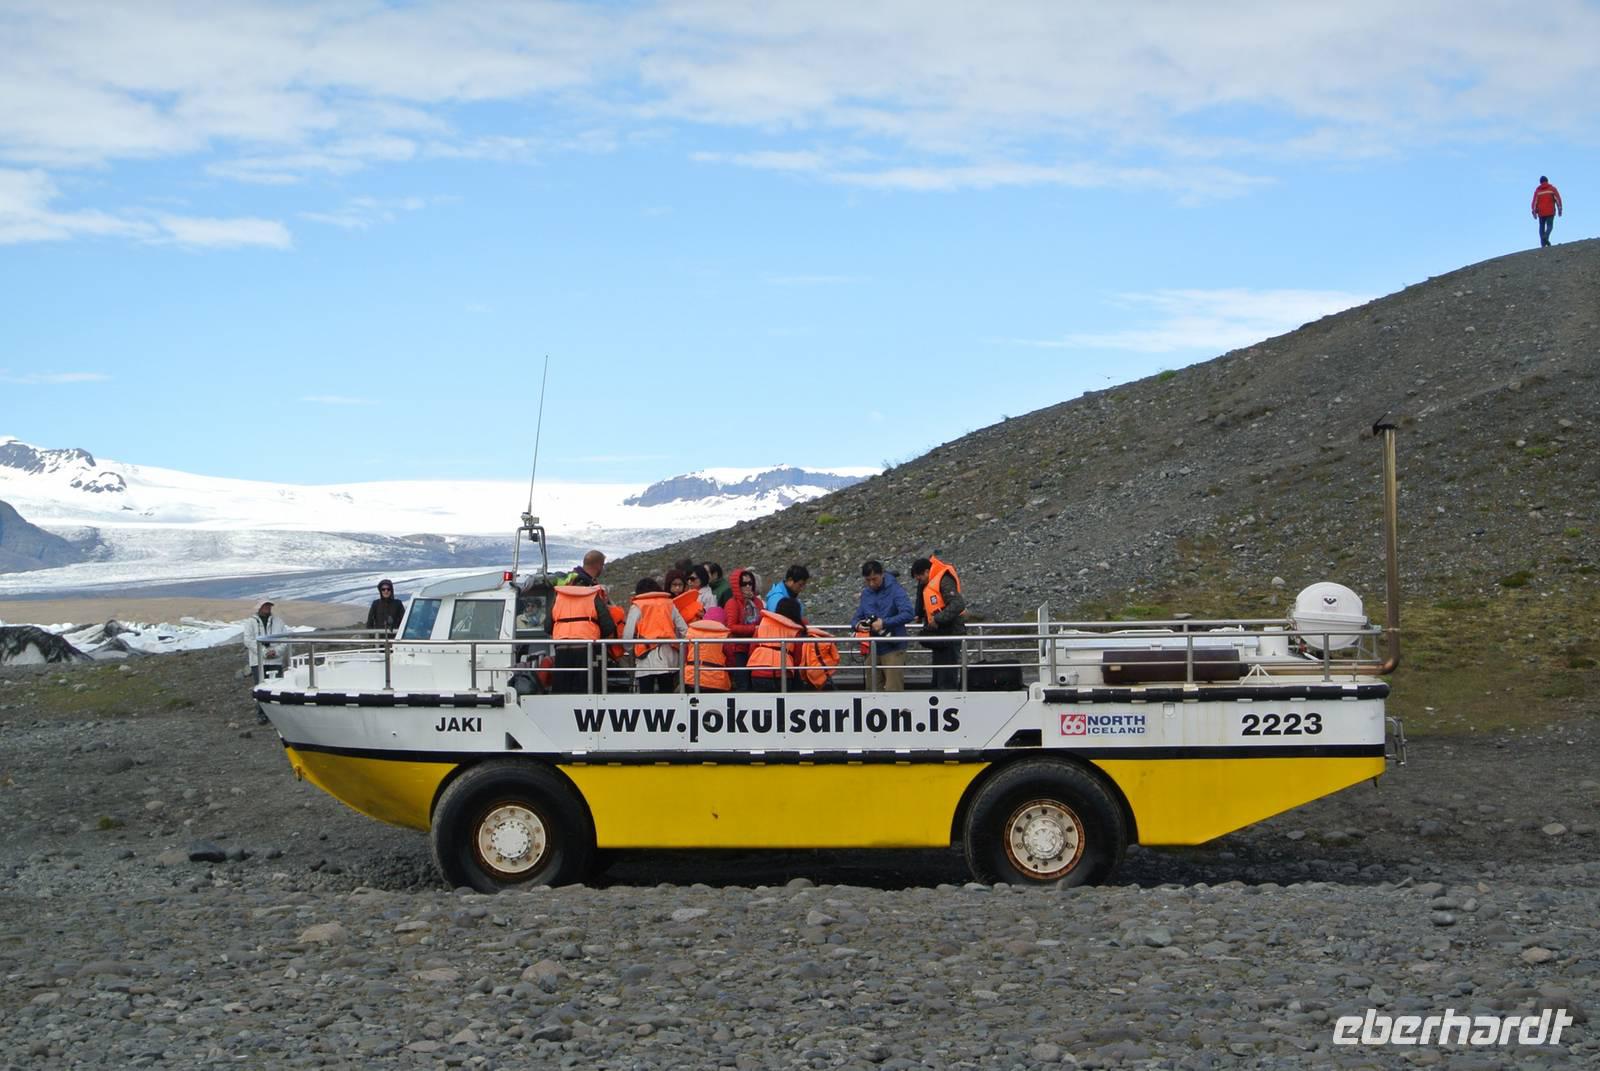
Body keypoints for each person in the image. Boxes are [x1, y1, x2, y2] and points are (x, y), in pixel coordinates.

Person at [545, 550, 615, 693]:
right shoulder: (592, 595)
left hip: (562, 651)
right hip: (586, 650)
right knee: (586, 692)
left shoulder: (559, 597)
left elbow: (547, 626)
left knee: (562, 692)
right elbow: (608, 626)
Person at [852, 560, 915, 691]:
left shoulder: (896, 590)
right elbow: (857, 616)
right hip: (872, 648)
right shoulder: (866, 593)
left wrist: (885, 622)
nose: (871, 583)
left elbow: (909, 613)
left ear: (882, 575)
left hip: (893, 647)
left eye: (874, 579)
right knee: (872, 690)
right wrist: (857, 625)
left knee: (893, 689)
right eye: (868, 580)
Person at [911, 555, 967, 691]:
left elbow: (958, 604)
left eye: (919, 577)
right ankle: (942, 694)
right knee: (940, 673)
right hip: (940, 634)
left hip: (950, 633)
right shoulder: (932, 582)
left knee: (947, 674)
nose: (919, 581)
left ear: (926, 571)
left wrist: (937, 619)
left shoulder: (944, 581)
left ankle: (949, 698)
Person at [623, 577, 686, 694]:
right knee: (667, 697)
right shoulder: (669, 604)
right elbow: (684, 630)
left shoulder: (637, 605)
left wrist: (631, 650)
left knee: (646, 699)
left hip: (646, 659)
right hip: (670, 658)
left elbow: (627, 635)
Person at [747, 596, 805, 691]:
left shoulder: (763, 622)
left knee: (761, 704)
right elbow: (798, 658)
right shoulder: (795, 629)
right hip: (783, 674)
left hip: (759, 673)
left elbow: (752, 649)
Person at [241, 599, 286, 723]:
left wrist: (276, 651)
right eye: (265, 606)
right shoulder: (251, 622)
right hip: (258, 661)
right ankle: (262, 713)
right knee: (261, 687)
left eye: (269, 606)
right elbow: (248, 640)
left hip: (275, 660)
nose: (267, 608)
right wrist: (264, 652)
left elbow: (284, 639)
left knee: (277, 686)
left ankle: (278, 715)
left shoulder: (278, 621)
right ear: (259, 607)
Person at [724, 567, 763, 689]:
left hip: (755, 649)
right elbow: (731, 627)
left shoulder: (757, 603)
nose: (748, 586)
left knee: (753, 683)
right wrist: (754, 629)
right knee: (743, 684)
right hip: (738, 650)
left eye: (750, 583)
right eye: (744, 584)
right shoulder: (732, 603)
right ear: (737, 586)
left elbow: (763, 619)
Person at [1532, 176, 1563, 247]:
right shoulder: (1552, 189)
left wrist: (1534, 212)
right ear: (1547, 181)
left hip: (1541, 212)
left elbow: (1534, 202)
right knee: (1550, 226)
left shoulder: (1538, 191)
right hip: (1550, 211)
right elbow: (1558, 199)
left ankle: (1543, 244)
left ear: (1540, 182)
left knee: (1541, 227)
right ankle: (1545, 237)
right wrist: (1560, 209)